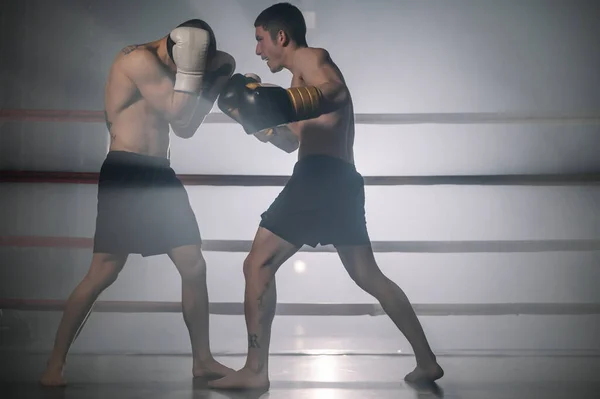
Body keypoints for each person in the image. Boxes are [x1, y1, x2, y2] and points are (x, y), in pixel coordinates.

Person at [210, 2, 444, 391]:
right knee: (368, 275)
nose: (257, 50)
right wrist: (255, 122)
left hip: (318, 179)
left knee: (257, 265)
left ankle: (255, 371)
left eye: (260, 39)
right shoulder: (297, 80)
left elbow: (334, 92)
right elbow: (290, 143)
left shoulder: (311, 58)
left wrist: (282, 104)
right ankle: (427, 360)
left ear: (280, 36)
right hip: (340, 180)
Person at [39, 19, 236, 386]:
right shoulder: (136, 60)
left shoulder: (170, 64)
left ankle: (203, 361)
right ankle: (54, 363)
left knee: (194, 265)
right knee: (103, 272)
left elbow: (185, 128)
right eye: (189, 62)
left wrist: (217, 81)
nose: (184, 73)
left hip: (160, 173)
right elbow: (179, 112)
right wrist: (207, 75)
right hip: (126, 171)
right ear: (179, 46)